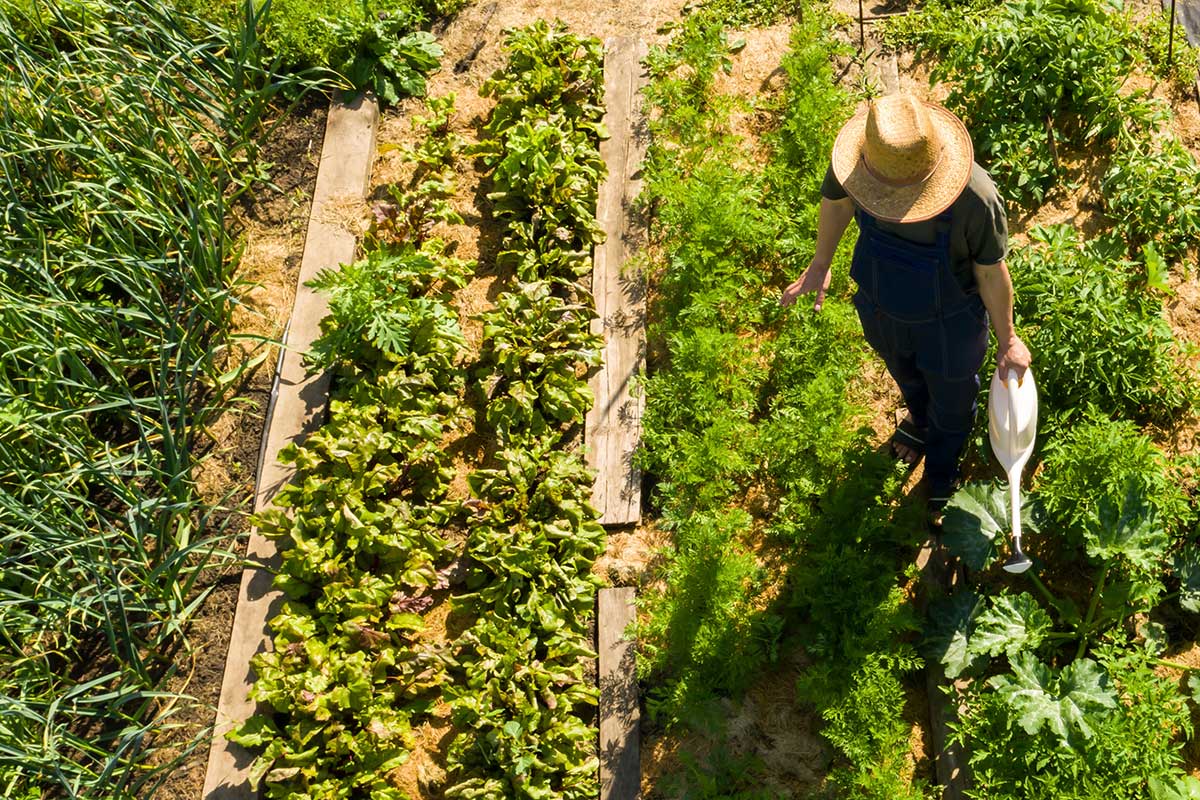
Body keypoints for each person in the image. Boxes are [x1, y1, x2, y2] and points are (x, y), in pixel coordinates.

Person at [780, 93, 1031, 511]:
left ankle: (943, 470)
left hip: (951, 326)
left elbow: (990, 272)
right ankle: (917, 415)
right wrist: (821, 262)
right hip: (882, 308)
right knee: (905, 372)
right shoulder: (865, 159)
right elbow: (838, 201)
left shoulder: (974, 197)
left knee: (952, 404)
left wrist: (1008, 340)